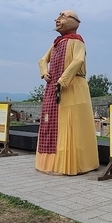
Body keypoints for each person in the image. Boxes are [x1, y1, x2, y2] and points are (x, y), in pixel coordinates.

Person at [35, 10, 99, 175]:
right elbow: (43, 60)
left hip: (72, 85)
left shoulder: (77, 42)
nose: (57, 19)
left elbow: (78, 60)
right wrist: (44, 72)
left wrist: (63, 81)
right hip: (54, 86)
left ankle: (73, 164)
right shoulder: (57, 43)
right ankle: (50, 163)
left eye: (62, 16)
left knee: (70, 122)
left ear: (73, 21)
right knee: (51, 123)